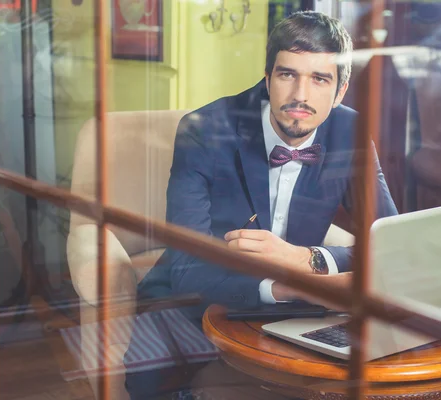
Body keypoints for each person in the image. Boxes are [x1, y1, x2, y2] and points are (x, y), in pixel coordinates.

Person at [124, 10, 398, 399]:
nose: (301, 95)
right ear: (267, 78)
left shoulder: (350, 132)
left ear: (340, 91)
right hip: (192, 300)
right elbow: (187, 270)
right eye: (288, 74)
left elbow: (391, 246)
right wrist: (300, 287)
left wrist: (309, 261)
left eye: (320, 78)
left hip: (298, 311)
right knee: (151, 382)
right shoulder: (203, 130)